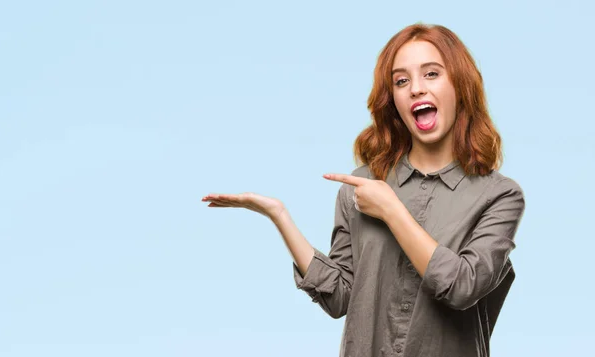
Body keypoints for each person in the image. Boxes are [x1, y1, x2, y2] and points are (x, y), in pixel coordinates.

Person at [202, 23, 525, 357]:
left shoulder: (499, 196)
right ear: (393, 101)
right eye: (401, 81)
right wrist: (278, 216)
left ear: (460, 84)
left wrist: (391, 210)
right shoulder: (360, 187)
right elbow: (340, 296)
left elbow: (461, 286)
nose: (415, 88)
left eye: (431, 74)